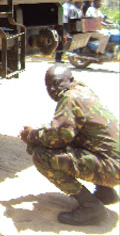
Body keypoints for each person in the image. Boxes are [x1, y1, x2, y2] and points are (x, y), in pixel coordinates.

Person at [20, 64, 119, 225]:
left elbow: (58, 137)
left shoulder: (70, 98)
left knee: (42, 156)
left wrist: (31, 135)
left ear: (70, 80)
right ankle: (106, 192)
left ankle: (91, 207)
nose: (53, 88)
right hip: (113, 162)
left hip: (112, 168)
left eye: (57, 83)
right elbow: (67, 131)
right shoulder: (83, 90)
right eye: (48, 85)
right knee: (82, 140)